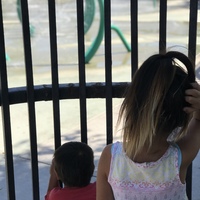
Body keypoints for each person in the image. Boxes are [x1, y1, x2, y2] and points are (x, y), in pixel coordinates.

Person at [97, 51, 200, 200]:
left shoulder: (110, 158)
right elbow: (198, 120)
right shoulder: (180, 158)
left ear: (131, 104)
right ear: (181, 118)